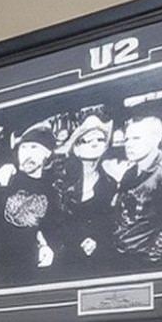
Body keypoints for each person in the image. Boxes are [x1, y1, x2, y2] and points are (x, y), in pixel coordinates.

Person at [109, 109, 162, 265]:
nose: (129, 144)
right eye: (127, 139)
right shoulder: (130, 172)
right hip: (122, 258)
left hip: (146, 263)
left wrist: (151, 260)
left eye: (136, 138)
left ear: (155, 139)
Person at [49, 112, 118, 275]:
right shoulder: (60, 179)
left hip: (100, 258)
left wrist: (96, 239)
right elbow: (54, 220)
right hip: (65, 256)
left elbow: (110, 221)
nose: (95, 144)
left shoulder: (111, 182)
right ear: (77, 149)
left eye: (100, 139)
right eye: (88, 140)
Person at [0, 126, 60, 285]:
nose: (27, 153)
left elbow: (49, 227)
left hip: (29, 271)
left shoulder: (52, 189)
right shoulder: (6, 178)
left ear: (47, 153)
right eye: (23, 147)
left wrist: (46, 246)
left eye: (34, 147)